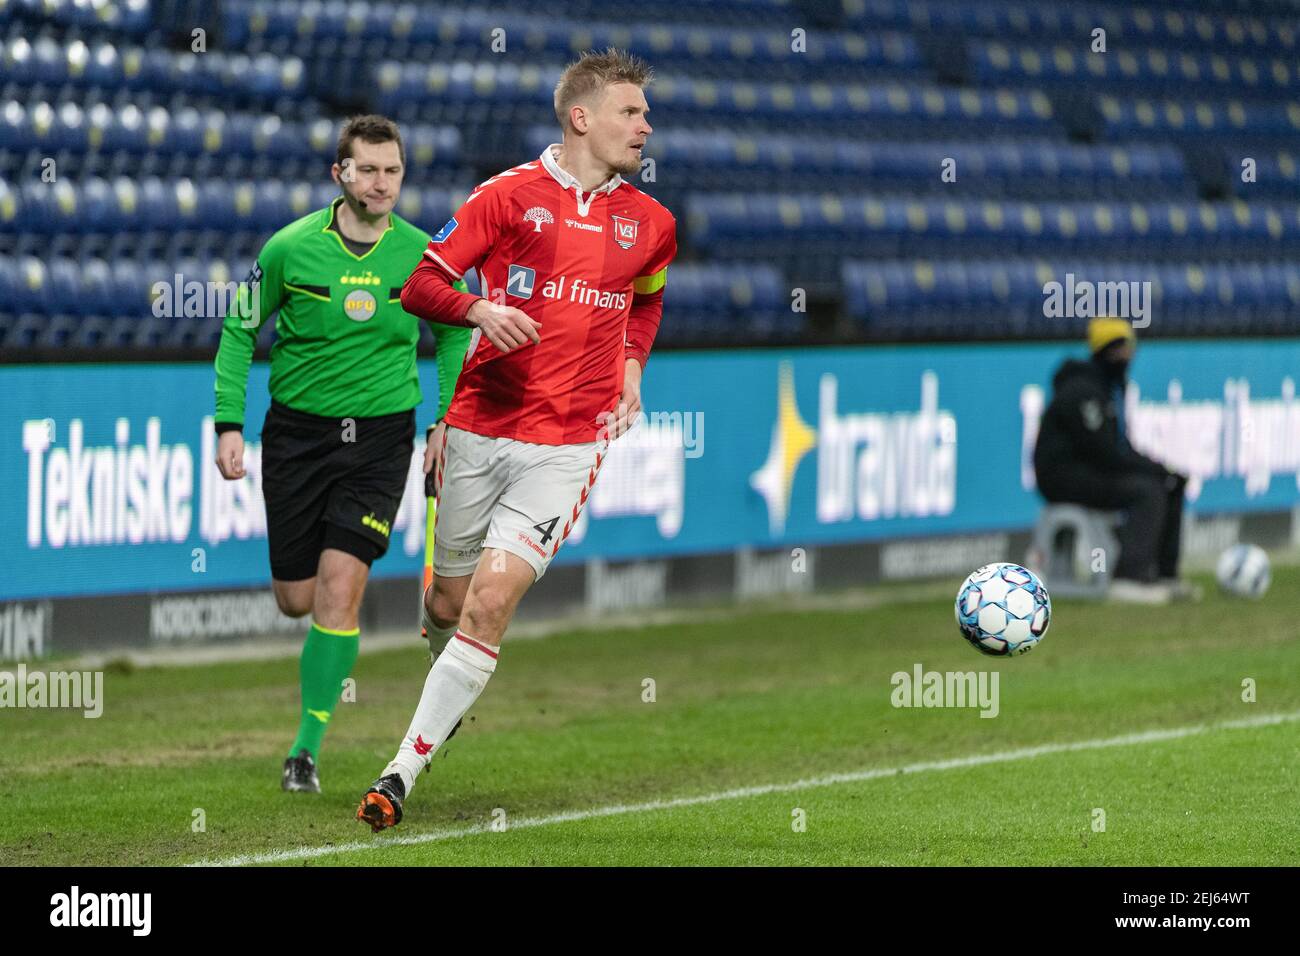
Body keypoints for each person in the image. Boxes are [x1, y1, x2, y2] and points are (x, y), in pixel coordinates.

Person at [355, 48, 677, 831]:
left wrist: (632, 365)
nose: (645, 126)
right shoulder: (507, 198)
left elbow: (647, 302)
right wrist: (477, 311)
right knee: (447, 601)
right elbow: (422, 283)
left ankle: (400, 772)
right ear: (581, 117)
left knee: (491, 605)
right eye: (630, 112)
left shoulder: (651, 223)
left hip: (569, 444)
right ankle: (449, 681)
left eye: (644, 113)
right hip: (478, 426)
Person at [212, 115, 472, 792]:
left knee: (338, 586)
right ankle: (309, 722)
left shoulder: (423, 254)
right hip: (297, 437)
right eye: (368, 169)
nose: (382, 183)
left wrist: (445, 420)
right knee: (294, 598)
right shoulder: (290, 249)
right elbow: (240, 328)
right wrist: (227, 424)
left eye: (393, 170)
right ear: (341, 174)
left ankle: (304, 751)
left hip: (382, 440)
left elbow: (452, 336)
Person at [1033, 317, 1195, 604]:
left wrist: (1163, 470)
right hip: (1063, 477)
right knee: (1147, 491)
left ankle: (1164, 574)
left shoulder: (1108, 389)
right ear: (1105, 351)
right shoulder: (1082, 390)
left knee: (1170, 482)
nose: (1127, 356)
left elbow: (1119, 448)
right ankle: (1128, 577)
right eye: (1120, 349)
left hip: (1089, 470)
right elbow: (1104, 453)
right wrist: (1153, 470)